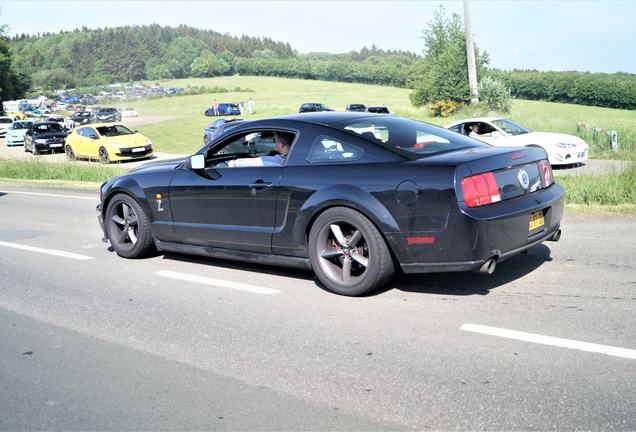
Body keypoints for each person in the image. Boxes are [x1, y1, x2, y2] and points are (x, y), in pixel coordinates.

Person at [227, 132, 291, 167]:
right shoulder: (288, 159)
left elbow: (261, 162)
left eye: (275, 141)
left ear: (281, 145)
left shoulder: (279, 160)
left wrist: (233, 162)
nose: (274, 143)